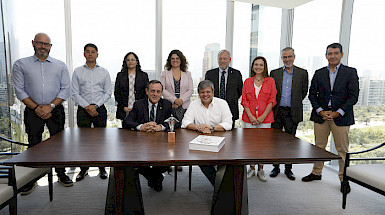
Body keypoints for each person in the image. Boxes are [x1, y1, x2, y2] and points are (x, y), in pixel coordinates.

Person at [12, 33, 73, 192]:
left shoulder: (60, 65)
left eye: (46, 44)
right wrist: (37, 108)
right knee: (34, 144)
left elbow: (65, 89)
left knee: (58, 144)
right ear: (33, 43)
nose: (43, 47)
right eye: (40, 43)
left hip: (55, 109)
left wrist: (51, 106)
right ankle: (31, 178)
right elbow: (19, 90)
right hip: (33, 110)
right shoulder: (21, 64)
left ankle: (61, 173)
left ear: (50, 46)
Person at [302, 43, 359, 194]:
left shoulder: (350, 72)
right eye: (329, 53)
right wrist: (321, 111)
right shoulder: (319, 72)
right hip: (321, 116)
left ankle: (343, 178)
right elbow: (312, 94)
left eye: (335, 53)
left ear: (342, 54)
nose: (332, 56)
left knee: (342, 150)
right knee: (319, 146)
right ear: (326, 55)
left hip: (341, 116)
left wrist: (338, 112)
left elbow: (354, 96)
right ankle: (316, 173)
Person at [122, 80, 175, 191]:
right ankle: (156, 178)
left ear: (161, 93)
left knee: (166, 160)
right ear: (147, 91)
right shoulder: (138, 104)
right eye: (152, 91)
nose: (155, 94)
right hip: (141, 144)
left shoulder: (167, 104)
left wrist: (161, 127)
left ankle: (155, 177)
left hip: (162, 144)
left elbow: (176, 121)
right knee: (137, 162)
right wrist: (141, 126)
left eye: (158, 91)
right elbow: (126, 122)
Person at [71, 43, 112, 181]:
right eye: (87, 51)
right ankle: (83, 169)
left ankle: (102, 168)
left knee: (101, 141)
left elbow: (108, 93)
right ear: (84, 54)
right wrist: (88, 106)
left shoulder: (104, 72)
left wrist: (96, 106)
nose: (90, 54)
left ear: (97, 54)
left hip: (100, 109)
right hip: (83, 110)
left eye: (93, 52)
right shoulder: (77, 71)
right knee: (83, 141)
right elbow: (74, 93)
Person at [182, 80, 233, 186]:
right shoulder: (194, 104)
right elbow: (185, 122)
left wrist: (211, 127)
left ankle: (223, 185)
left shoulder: (222, 103)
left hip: (221, 139)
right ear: (199, 93)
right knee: (202, 160)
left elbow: (228, 124)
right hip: (201, 140)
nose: (205, 95)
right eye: (202, 92)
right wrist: (198, 127)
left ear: (213, 92)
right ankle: (219, 186)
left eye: (208, 92)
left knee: (226, 161)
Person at [269, 47, 309, 180]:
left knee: (290, 143)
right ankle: (275, 167)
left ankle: (288, 169)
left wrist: (293, 102)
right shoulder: (274, 73)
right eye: (284, 57)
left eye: (289, 57)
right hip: (277, 112)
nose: (287, 59)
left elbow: (303, 92)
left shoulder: (302, 73)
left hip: (292, 112)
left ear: (294, 57)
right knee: (275, 142)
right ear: (282, 58)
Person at [241, 56, 277, 182]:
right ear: (252, 66)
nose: (258, 67)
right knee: (250, 145)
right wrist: (251, 116)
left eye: (261, 65)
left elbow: (272, 100)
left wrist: (262, 117)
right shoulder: (247, 81)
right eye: (256, 64)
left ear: (265, 67)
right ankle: (251, 168)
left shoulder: (270, 81)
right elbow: (244, 101)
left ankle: (261, 169)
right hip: (248, 118)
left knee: (263, 146)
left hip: (265, 119)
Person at [205, 50, 243, 127]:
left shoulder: (236, 74)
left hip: (230, 110)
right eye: (220, 59)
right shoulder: (210, 74)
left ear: (229, 60)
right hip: (213, 110)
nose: (222, 61)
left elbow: (240, 91)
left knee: (230, 136)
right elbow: (206, 91)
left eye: (225, 59)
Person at [114, 52, 149, 122]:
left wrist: (138, 107)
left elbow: (146, 93)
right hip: (124, 109)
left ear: (137, 62)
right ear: (125, 62)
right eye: (128, 60)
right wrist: (124, 107)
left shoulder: (143, 76)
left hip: (140, 110)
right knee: (125, 132)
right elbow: (117, 93)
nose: (130, 62)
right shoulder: (120, 76)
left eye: (132, 60)